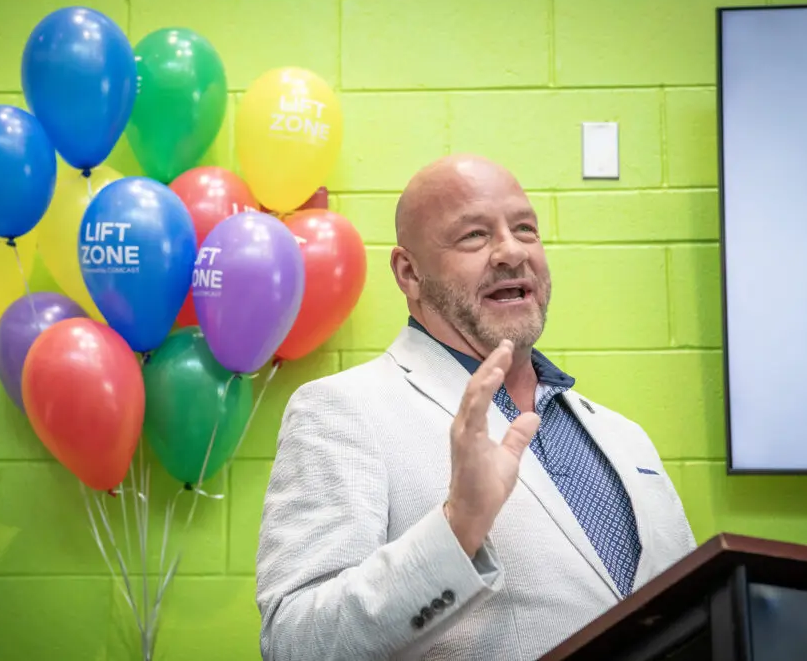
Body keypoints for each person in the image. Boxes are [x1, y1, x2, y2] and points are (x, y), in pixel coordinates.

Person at [255, 154, 696, 661]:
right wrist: (458, 526)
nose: (511, 252)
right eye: (474, 236)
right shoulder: (342, 411)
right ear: (409, 273)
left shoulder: (625, 437)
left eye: (525, 228)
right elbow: (294, 643)